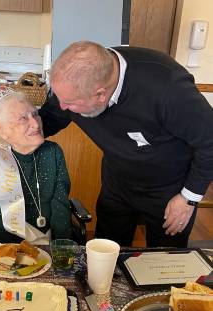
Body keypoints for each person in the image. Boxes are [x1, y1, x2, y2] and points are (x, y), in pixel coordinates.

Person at [39, 41, 213, 247]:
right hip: (117, 181)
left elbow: (209, 142)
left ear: (101, 94)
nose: (63, 107)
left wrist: (188, 198)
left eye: (69, 103)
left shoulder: (168, 89)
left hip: (169, 187)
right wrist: (15, 131)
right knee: (105, 252)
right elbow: (50, 117)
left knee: (164, 260)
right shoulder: (75, 85)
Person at [0, 90, 72, 244]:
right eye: (23, 119)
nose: (36, 123)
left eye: (35, 114)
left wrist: (62, 253)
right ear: (1, 130)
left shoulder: (53, 152)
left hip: (44, 249)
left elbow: (61, 211)